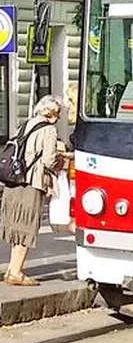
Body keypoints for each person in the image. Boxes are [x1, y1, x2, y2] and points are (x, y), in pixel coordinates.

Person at [1, 95, 63, 286]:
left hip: (14, 180)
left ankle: (12, 268)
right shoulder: (49, 130)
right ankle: (16, 272)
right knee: (26, 227)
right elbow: (48, 160)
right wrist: (61, 161)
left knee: (16, 226)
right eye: (58, 112)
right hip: (31, 182)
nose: (59, 117)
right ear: (51, 112)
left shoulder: (26, 124)